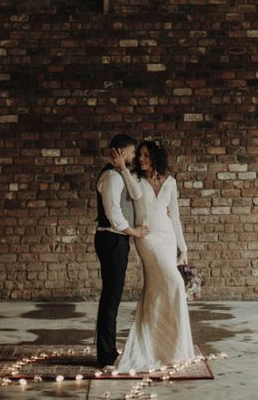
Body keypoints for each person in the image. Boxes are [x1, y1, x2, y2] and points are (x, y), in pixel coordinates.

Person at [116, 139, 195, 372]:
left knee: (157, 291)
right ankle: (164, 346)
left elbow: (176, 217)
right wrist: (122, 168)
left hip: (168, 238)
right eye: (139, 155)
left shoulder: (170, 183)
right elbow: (133, 193)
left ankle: (165, 348)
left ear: (156, 158)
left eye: (146, 156)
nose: (141, 159)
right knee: (176, 285)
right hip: (147, 238)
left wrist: (184, 248)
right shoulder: (136, 180)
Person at [94, 134, 149, 368]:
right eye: (132, 153)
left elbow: (137, 195)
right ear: (122, 153)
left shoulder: (121, 175)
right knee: (111, 296)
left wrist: (124, 169)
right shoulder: (110, 177)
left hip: (117, 239)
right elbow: (113, 212)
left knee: (113, 295)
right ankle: (105, 353)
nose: (135, 157)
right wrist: (133, 232)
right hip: (111, 239)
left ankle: (107, 349)